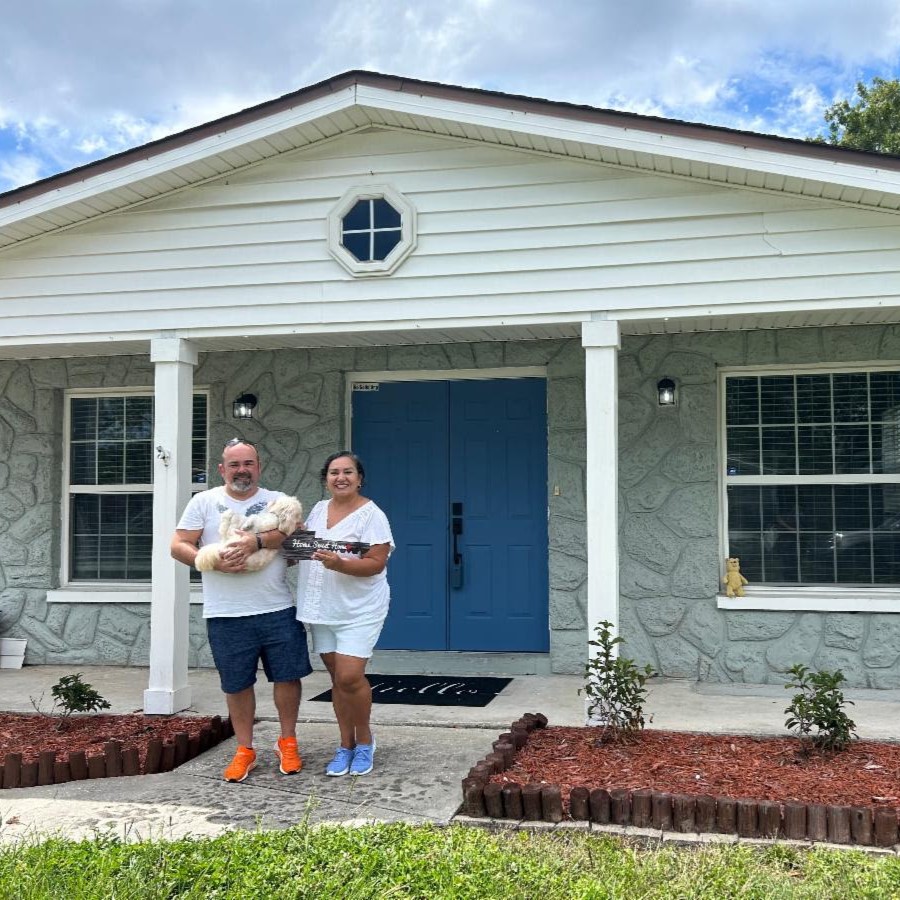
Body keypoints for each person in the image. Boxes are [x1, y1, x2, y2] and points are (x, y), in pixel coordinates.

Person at [170, 438, 312, 783]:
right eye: (234, 465)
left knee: (288, 677)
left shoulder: (279, 503)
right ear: (222, 469)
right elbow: (178, 545)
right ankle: (245, 749)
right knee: (236, 684)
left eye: (248, 463)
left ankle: (287, 741)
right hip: (225, 613)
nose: (241, 470)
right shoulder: (204, 502)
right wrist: (211, 562)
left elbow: (302, 548)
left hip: (276, 607)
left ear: (258, 467)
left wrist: (269, 543)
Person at [296, 451, 394, 777]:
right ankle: (345, 744)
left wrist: (340, 564)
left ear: (359, 477)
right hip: (322, 608)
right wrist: (289, 534)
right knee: (337, 679)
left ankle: (365, 741)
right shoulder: (318, 509)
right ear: (326, 478)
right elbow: (302, 550)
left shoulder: (371, 514)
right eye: (334, 472)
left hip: (359, 609)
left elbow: (376, 562)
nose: (341, 478)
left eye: (348, 472)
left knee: (350, 676)